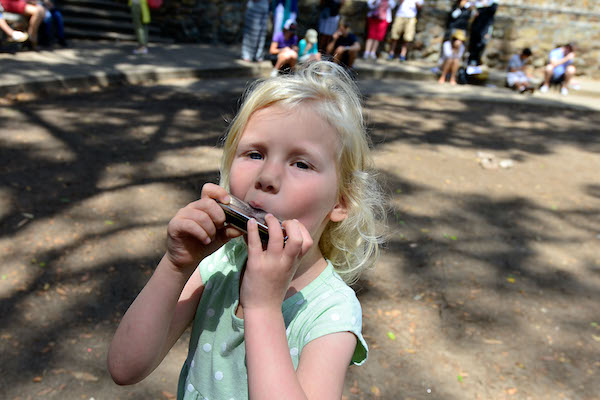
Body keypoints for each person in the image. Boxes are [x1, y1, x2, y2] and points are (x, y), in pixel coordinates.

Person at [107, 60, 385, 400]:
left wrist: (263, 307)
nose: (267, 177)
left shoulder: (331, 311)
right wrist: (175, 265)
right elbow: (125, 367)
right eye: (254, 153)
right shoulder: (220, 265)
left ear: (340, 202)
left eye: (301, 163)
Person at [467, 0, 498, 66]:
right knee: (472, 47)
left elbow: (492, 11)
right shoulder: (477, 4)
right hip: (476, 28)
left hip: (485, 30)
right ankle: (470, 64)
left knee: (481, 46)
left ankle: (476, 64)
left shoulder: (492, 3)